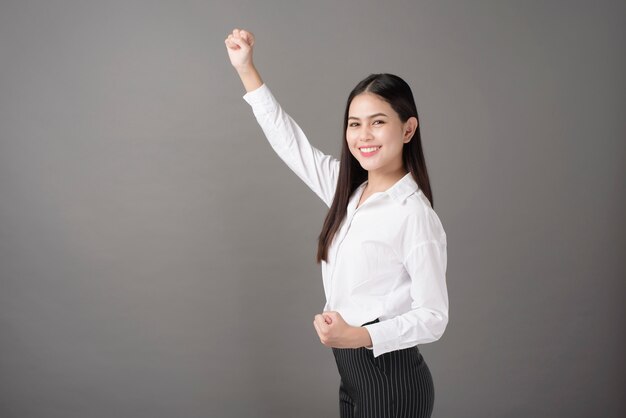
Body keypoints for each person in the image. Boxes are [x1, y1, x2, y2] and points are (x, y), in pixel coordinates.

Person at [225, 28, 449, 418]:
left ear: (408, 129)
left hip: (391, 380)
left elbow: (434, 317)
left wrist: (360, 335)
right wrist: (247, 70)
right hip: (353, 375)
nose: (364, 136)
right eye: (354, 123)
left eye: (378, 122)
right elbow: (288, 141)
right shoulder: (346, 192)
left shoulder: (413, 214)